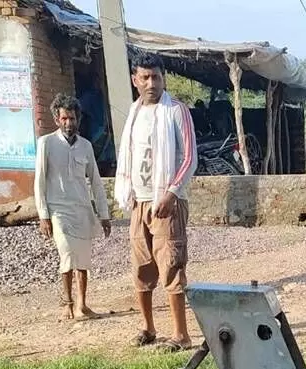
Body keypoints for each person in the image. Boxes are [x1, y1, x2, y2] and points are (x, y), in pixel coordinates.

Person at [114, 53, 198, 352]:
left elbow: (189, 158)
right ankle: (148, 327)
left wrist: (171, 193)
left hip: (167, 201)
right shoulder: (135, 113)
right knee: (142, 266)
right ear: (135, 80)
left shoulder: (176, 111)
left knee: (171, 265)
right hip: (139, 200)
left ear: (164, 79)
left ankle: (181, 334)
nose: (151, 83)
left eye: (156, 77)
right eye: (145, 77)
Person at [34, 93, 112, 320]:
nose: (69, 123)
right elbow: (39, 181)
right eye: (65, 119)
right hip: (58, 210)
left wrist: (104, 215)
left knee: (83, 260)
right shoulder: (46, 144)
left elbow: (96, 182)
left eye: (73, 118)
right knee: (67, 254)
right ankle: (67, 302)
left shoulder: (86, 146)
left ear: (78, 119)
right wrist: (43, 215)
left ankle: (83, 304)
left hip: (82, 210)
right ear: (57, 120)